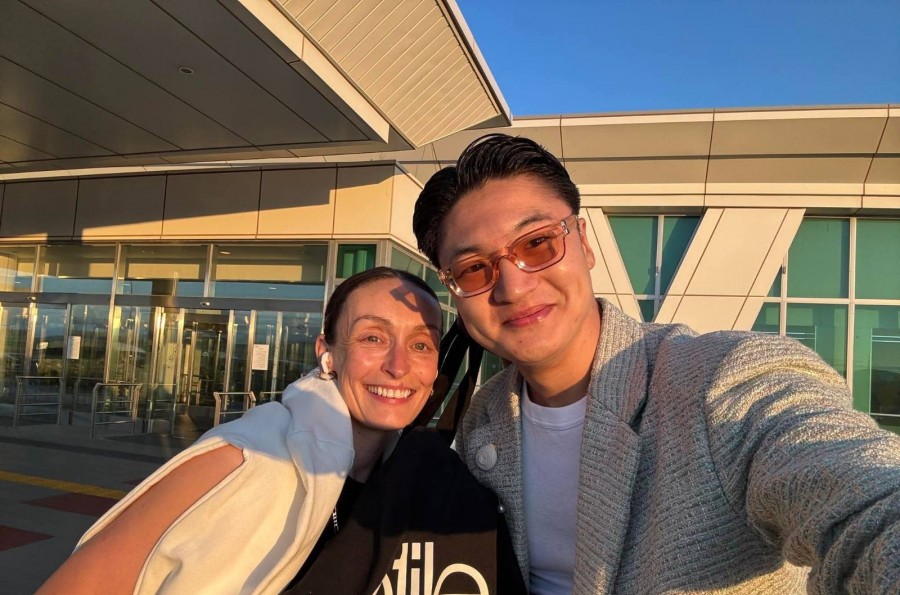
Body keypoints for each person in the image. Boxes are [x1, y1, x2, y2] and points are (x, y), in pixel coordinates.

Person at [412, 133, 900, 594]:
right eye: (474, 269)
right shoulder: (484, 416)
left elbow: (862, 495)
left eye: (537, 243)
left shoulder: (720, 379)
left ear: (584, 242)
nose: (513, 286)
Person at [38, 267, 444, 594]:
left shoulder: (404, 480)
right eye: (373, 337)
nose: (398, 366)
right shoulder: (247, 456)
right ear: (328, 354)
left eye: (421, 345)